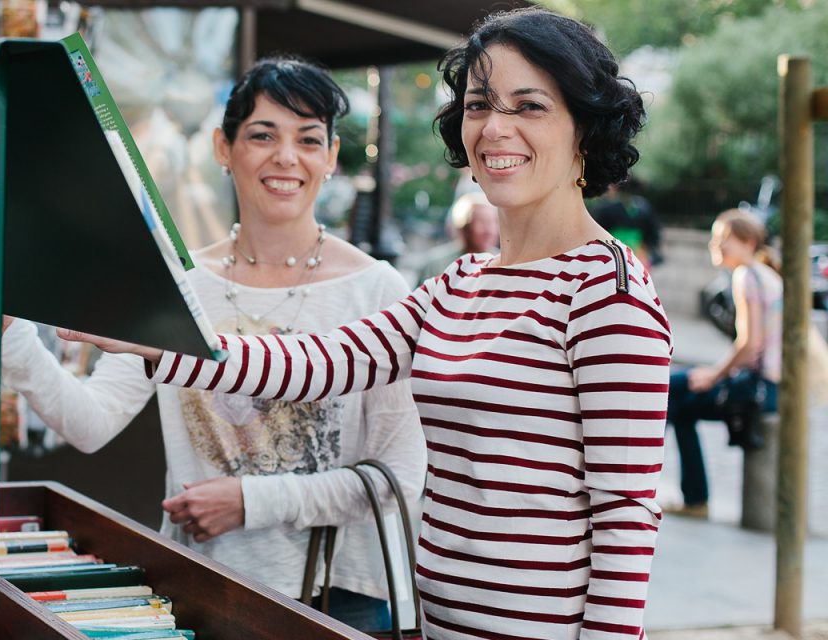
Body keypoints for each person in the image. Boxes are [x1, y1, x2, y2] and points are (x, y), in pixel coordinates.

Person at [64, 8, 670, 637]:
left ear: (585, 130)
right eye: (480, 104)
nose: (495, 128)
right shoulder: (459, 283)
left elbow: (626, 515)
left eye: (530, 107)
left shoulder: (605, 290)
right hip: (433, 624)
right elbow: (312, 364)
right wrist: (156, 333)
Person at [0, 56, 426, 631]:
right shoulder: (178, 284)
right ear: (224, 149)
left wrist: (251, 501)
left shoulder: (378, 289)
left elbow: (400, 476)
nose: (286, 157)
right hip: (199, 588)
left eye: (308, 139)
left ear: (329, 157)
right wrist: (10, 333)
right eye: (262, 135)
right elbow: (89, 421)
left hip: (337, 597)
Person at [667, 209, 781, 518]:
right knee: (678, 397)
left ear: (748, 242)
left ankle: (691, 497)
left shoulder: (747, 276)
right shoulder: (765, 273)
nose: (715, 245)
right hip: (770, 386)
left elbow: (749, 344)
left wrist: (714, 375)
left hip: (758, 389)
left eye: (723, 239)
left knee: (669, 391)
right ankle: (694, 497)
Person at [414, 190, 499, 284]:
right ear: (464, 227)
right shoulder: (436, 265)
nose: (489, 230)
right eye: (482, 222)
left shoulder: (506, 266)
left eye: (493, 222)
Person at [592, 177, 662, 267]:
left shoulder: (606, 207)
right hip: (639, 253)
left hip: (612, 252)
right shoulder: (644, 205)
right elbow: (653, 232)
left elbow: (598, 231)